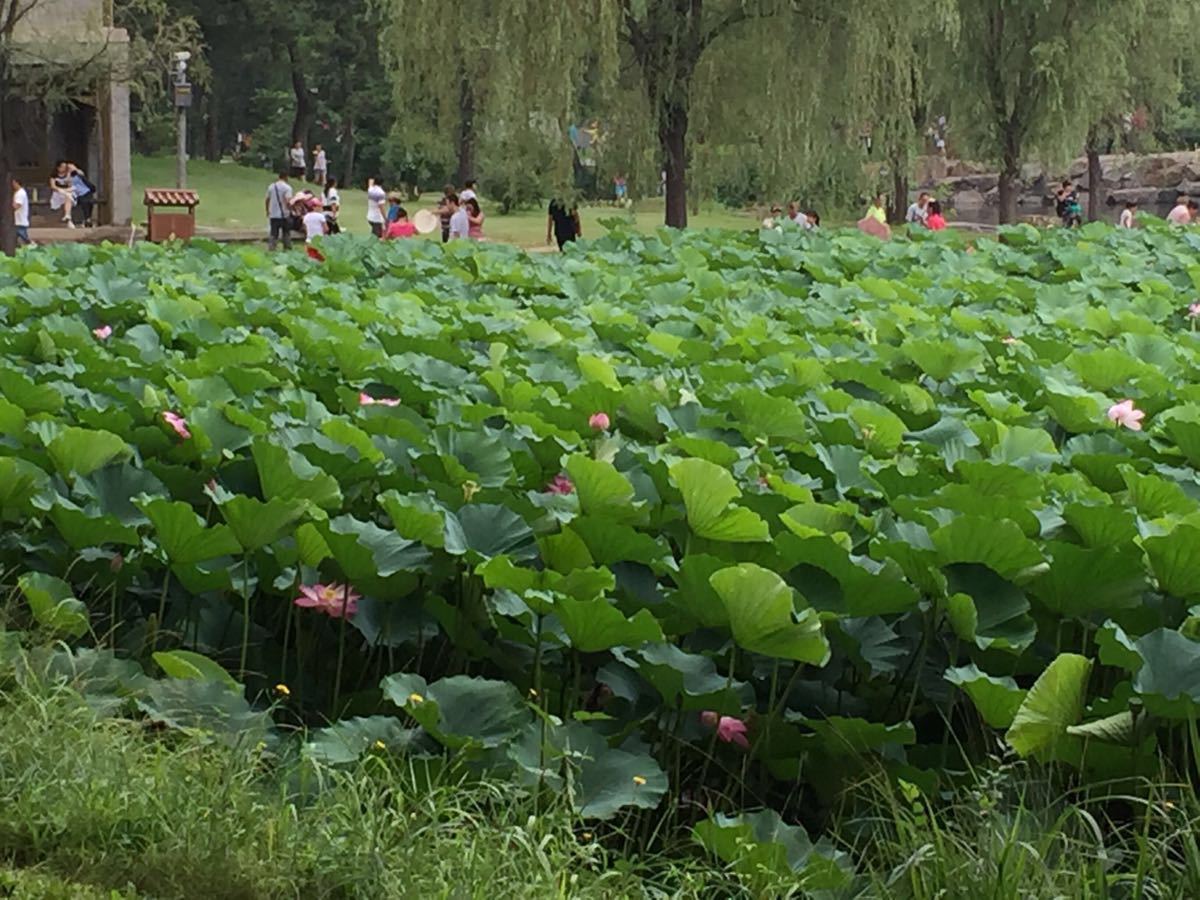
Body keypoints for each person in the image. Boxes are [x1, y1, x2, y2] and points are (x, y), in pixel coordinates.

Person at [266, 172, 294, 250]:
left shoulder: (271, 186)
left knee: (273, 233)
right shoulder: (287, 188)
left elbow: (267, 199)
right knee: (286, 232)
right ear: (286, 177)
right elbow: (287, 200)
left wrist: (267, 210)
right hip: (284, 214)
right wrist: (290, 209)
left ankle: (272, 248)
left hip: (273, 214)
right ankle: (287, 248)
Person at [49, 160, 75, 228]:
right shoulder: (54, 175)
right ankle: (69, 220)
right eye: (62, 167)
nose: (64, 168)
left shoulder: (68, 174)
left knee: (68, 197)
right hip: (57, 193)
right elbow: (53, 186)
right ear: (58, 167)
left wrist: (69, 174)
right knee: (67, 196)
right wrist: (60, 190)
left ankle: (68, 216)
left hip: (67, 192)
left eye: (65, 167)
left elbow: (70, 185)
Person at [12, 176, 30, 246]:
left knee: (24, 239)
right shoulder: (17, 193)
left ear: (17, 183)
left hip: (20, 221)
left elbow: (16, 206)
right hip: (17, 221)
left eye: (13, 183)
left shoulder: (21, 193)